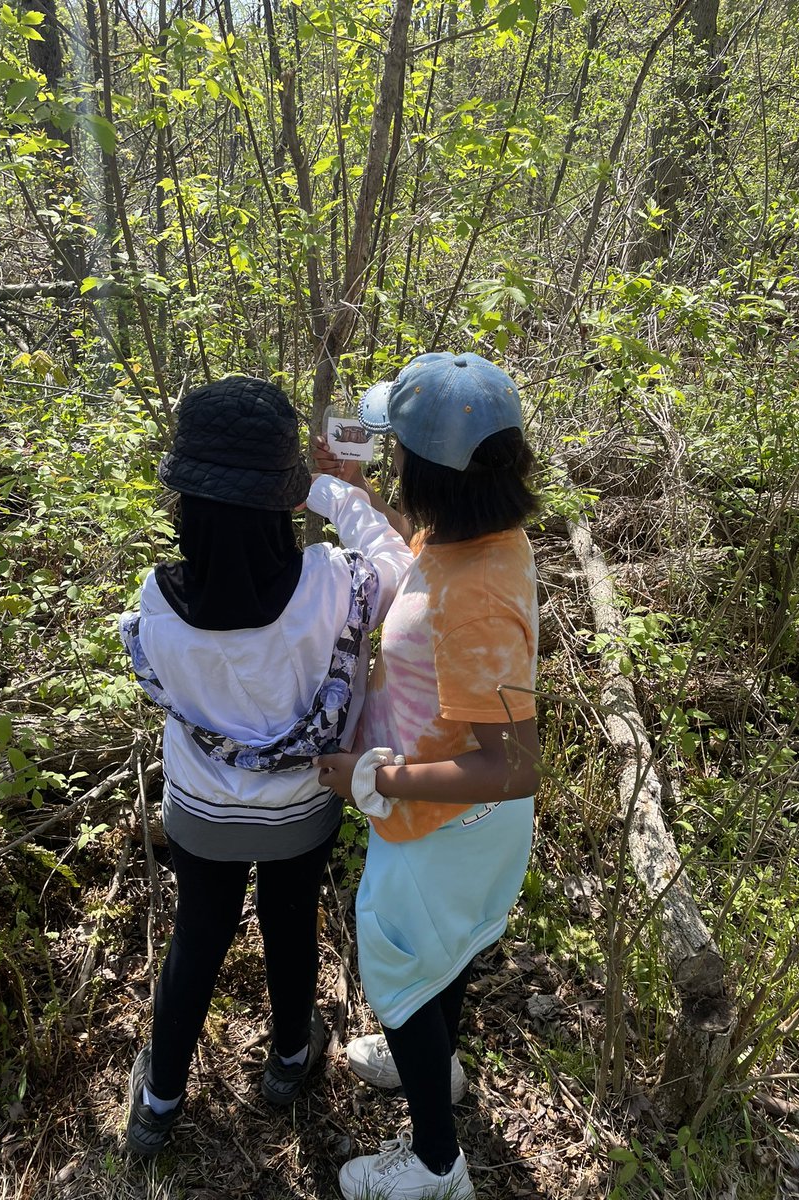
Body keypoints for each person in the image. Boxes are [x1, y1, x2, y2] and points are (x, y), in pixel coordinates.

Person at [118, 376, 412, 1156]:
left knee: (198, 938)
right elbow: (394, 557)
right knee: (291, 925)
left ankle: (159, 1101)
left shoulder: (156, 602)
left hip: (203, 813)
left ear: (185, 499)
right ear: (285, 499)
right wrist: (337, 488)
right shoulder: (335, 584)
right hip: (302, 807)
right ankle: (289, 1060)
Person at [315, 352, 542, 1200]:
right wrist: (353, 496)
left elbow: (511, 766)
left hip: (447, 824)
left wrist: (373, 779)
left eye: (398, 451)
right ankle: (437, 1068)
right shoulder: (471, 534)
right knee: (440, 961)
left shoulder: (476, 590)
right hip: (459, 823)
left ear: (433, 471)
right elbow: (421, 581)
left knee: (402, 975)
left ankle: (437, 1165)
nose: (391, 460)